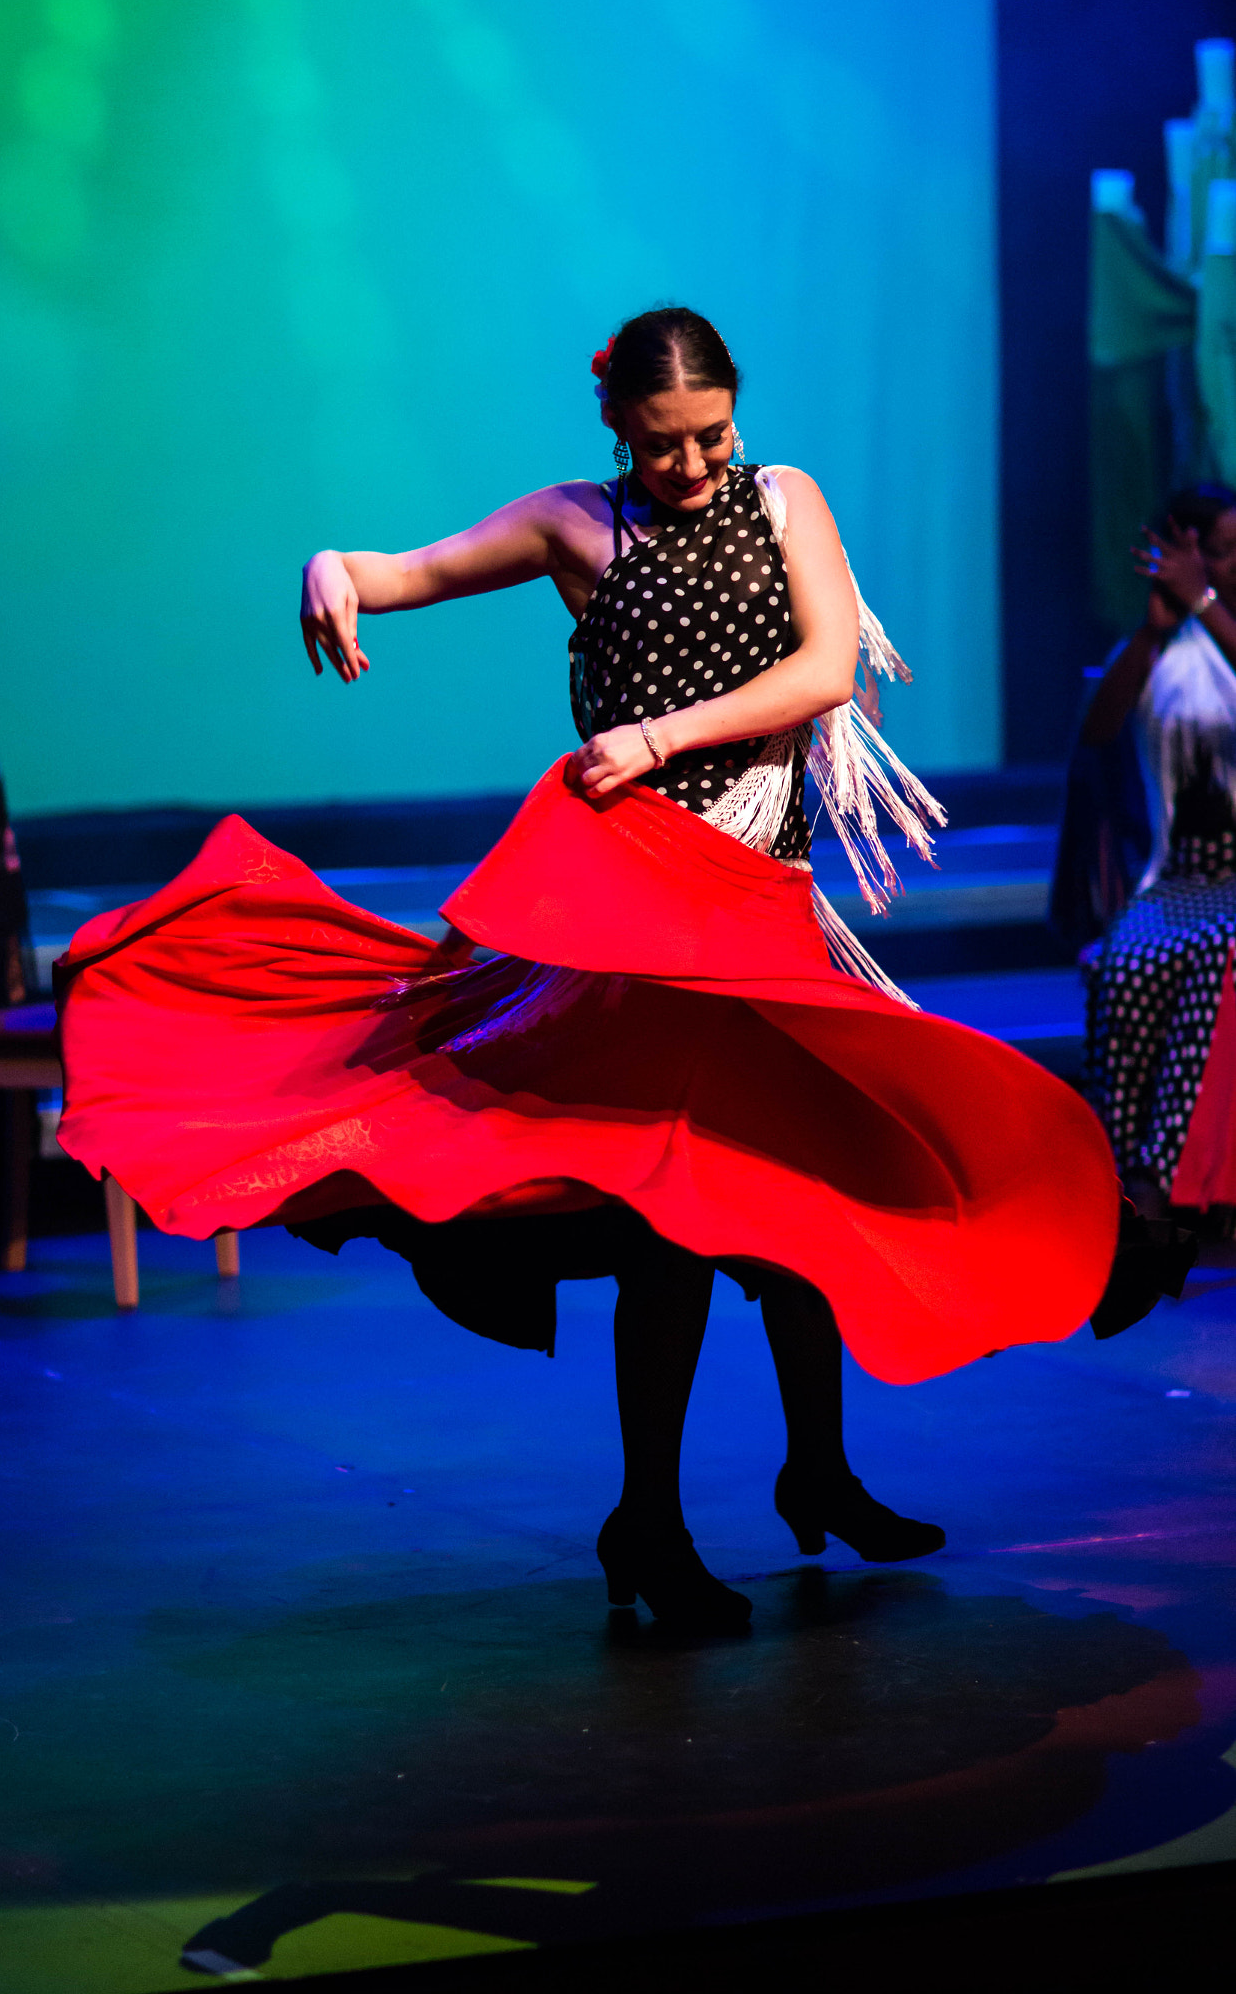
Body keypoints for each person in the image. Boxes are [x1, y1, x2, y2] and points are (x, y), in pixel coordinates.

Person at [55, 309, 1123, 1634]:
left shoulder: (785, 501)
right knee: (668, 1219)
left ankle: (819, 1471)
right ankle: (652, 1520)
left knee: (799, 1177)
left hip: (759, 902)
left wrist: (660, 735)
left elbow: (823, 667)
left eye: (712, 436)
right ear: (615, 426)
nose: (691, 465)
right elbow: (403, 572)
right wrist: (332, 567)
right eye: (664, 443)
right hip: (639, 926)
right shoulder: (575, 525)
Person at [1080, 482, 1236, 1218]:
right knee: (1127, 960)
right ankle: (1112, 1167)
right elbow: (1098, 732)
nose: (1221, 568)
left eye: (1230, 554)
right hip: (1179, 876)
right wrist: (1150, 632)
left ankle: (1158, 1173)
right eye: (1211, 553)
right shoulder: (1162, 649)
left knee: (1216, 952)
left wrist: (1206, 605)